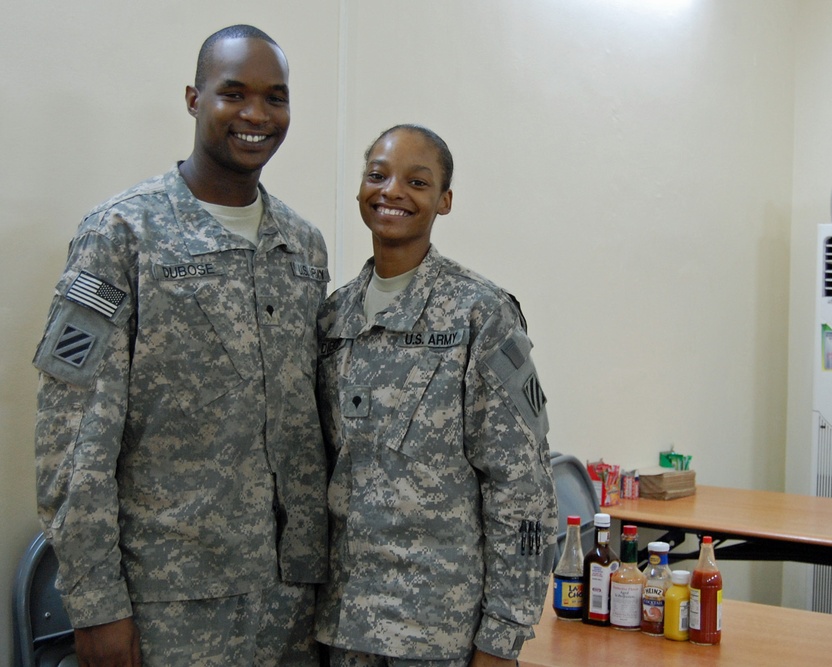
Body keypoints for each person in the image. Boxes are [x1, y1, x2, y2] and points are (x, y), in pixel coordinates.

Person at [33, 24, 329, 667]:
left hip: (295, 604)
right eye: (234, 94)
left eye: (275, 97)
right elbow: (73, 440)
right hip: (170, 605)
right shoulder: (120, 233)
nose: (256, 115)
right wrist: (97, 608)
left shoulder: (303, 247)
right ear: (194, 100)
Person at [315, 124, 557, 667]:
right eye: (377, 176)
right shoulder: (333, 318)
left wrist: (503, 634)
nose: (392, 191)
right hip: (340, 627)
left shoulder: (480, 315)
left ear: (444, 201)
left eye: (417, 182)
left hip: (439, 635)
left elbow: (522, 487)